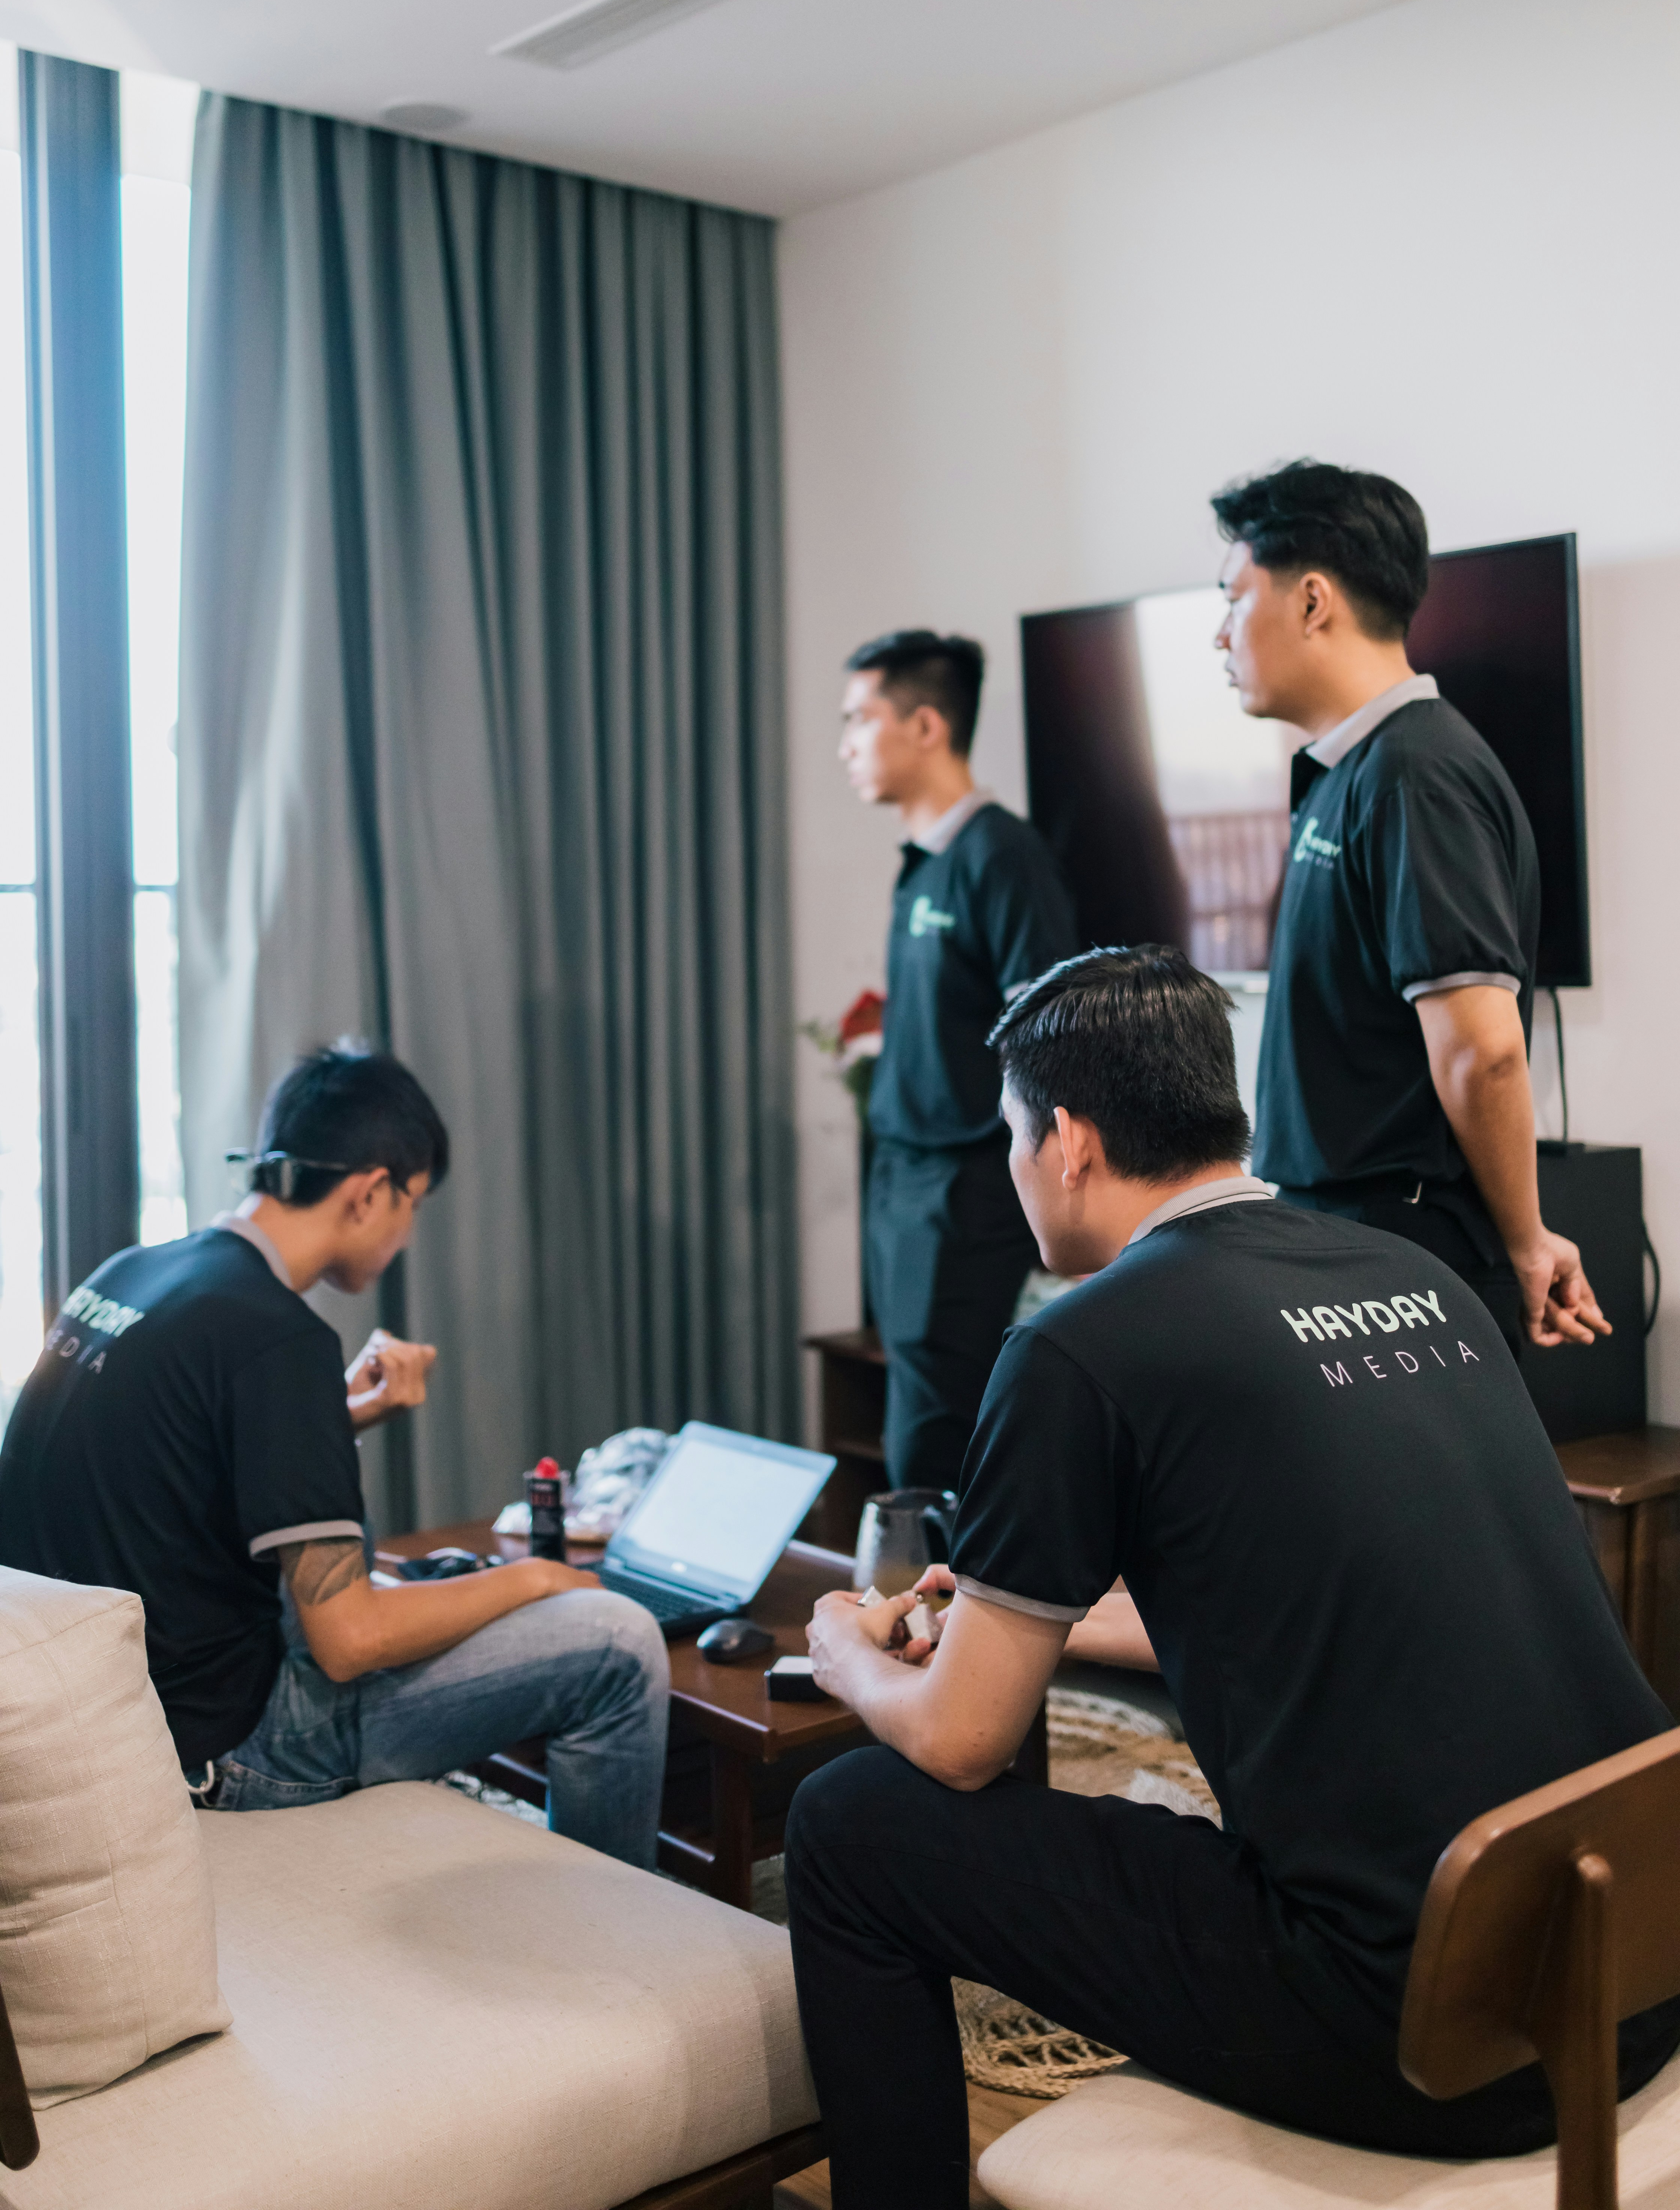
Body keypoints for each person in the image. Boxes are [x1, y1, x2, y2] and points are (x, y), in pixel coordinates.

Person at [783, 947, 1678, 2210]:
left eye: (1012, 1140)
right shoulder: (1411, 1280)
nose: (1015, 1172)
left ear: (1073, 1141)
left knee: (848, 1825)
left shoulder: (1078, 1347)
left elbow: (965, 1743)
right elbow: (1332, 1591)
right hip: (1630, 1967)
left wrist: (844, 1654)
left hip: (1422, 2034)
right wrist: (1059, 1628)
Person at [0, 1042, 668, 1868]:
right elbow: (347, 1641)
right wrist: (535, 1578)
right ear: (372, 1191)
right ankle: (618, 1930)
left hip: (103, 1709)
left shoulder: (134, 1273)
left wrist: (334, 1415)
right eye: (413, 1204)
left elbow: (163, 1471)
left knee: (404, 1580)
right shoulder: (278, 1337)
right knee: (617, 1641)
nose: (406, 1233)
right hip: (226, 1750)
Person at [1213, 458, 1605, 1362]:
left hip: (1399, 1245)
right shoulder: (1347, 772)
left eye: (1234, 598)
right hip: (1345, 1231)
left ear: (1312, 601)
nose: (1219, 635)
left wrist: (1525, 1240)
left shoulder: (1413, 772)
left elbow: (1483, 1049)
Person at [840, 629, 1079, 1489]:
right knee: (916, 1409)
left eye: (859, 720)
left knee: (936, 1432)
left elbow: (1048, 1038)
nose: (845, 745)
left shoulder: (1001, 858)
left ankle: (938, 1618)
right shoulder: (922, 864)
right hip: (902, 1182)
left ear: (927, 727)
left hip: (964, 1191)